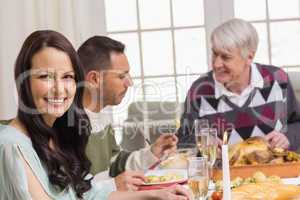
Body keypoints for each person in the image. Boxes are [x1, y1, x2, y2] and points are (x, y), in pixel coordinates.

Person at [0, 30, 191, 200]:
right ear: (23, 82)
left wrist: (156, 195)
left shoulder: (59, 133)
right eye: (45, 76)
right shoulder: (12, 146)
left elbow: (88, 194)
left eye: (67, 76)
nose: (59, 90)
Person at [177, 18, 300, 151]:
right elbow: (183, 138)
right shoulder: (199, 90)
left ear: (249, 57)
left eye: (226, 57)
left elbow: (297, 124)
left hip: (275, 170)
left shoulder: (277, 79)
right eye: (215, 54)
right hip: (223, 171)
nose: (216, 64)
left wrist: (288, 137)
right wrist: (202, 142)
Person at [77, 36, 178, 190]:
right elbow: (72, 191)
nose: (129, 83)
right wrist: (112, 185)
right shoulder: (68, 126)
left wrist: (151, 153)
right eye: (121, 76)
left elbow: (115, 164)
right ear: (94, 79)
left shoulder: (101, 115)